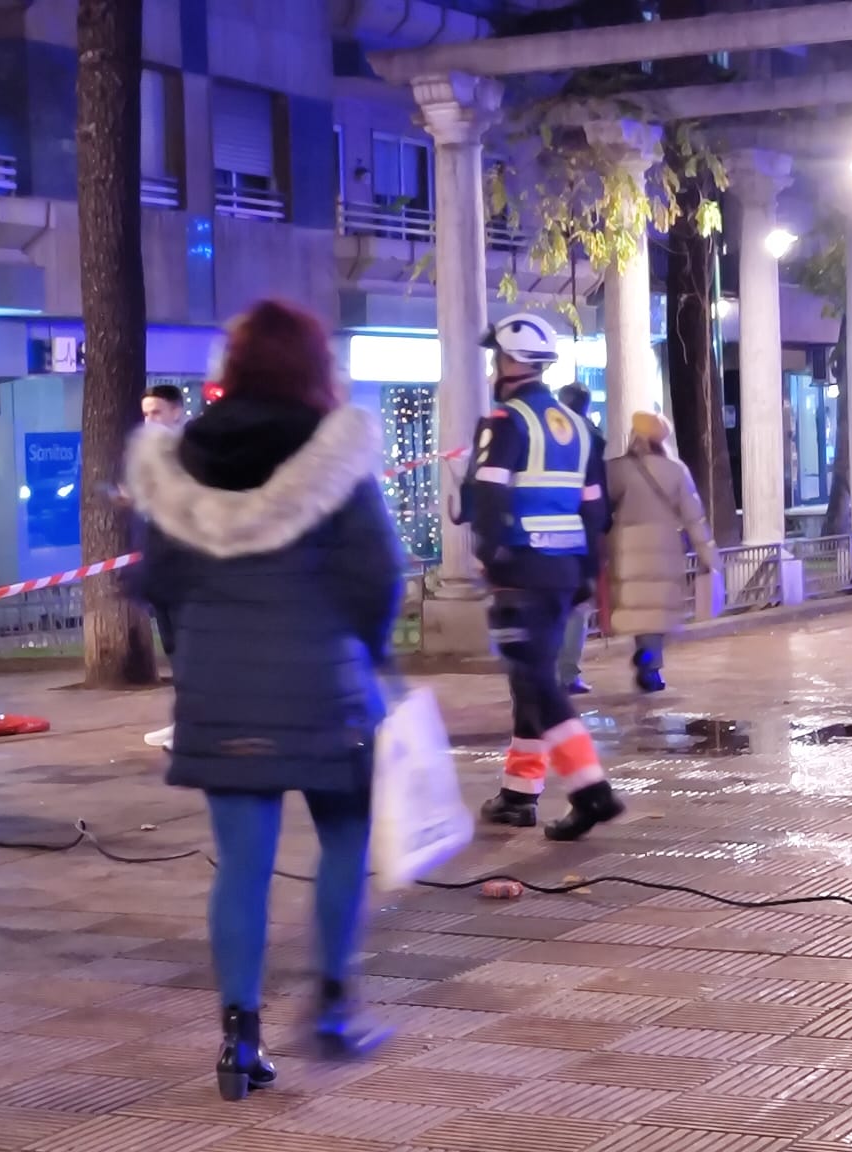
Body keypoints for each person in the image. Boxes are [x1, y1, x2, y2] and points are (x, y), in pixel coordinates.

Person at [126, 299, 405, 1102]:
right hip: (328, 689)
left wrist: (195, 660)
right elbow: (375, 575)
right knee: (346, 841)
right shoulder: (336, 456)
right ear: (314, 368)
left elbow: (159, 585)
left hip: (220, 692)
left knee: (241, 865)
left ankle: (238, 1039)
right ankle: (331, 1001)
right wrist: (371, 651)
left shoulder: (177, 466)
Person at [461, 312, 620, 841]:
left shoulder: (505, 423)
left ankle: (590, 790)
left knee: (536, 681)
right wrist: (586, 571)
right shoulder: (579, 428)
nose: (492, 368)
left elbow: (487, 495)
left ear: (510, 362)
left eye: (495, 358)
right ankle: (518, 794)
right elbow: (596, 509)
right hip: (564, 570)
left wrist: (490, 555)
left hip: (520, 569)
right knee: (528, 678)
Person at [606, 412, 717, 693]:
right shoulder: (676, 470)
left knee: (638, 609)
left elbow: (601, 505)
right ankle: (650, 665)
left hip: (626, 548)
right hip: (665, 548)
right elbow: (694, 517)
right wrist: (708, 555)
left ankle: (646, 656)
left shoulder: (618, 469)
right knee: (656, 613)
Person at [139, 383, 189, 752]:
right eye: (145, 414)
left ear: (176, 411)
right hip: (164, 568)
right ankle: (182, 722)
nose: (149, 420)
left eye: (156, 412)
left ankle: (192, 725)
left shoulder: (191, 454)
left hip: (188, 567)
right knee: (173, 646)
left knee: (190, 649)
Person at [553, 383, 606, 696]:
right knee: (577, 608)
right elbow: (597, 493)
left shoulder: (546, 434)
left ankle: (549, 673)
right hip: (580, 534)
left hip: (544, 533)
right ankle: (567, 674)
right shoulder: (593, 438)